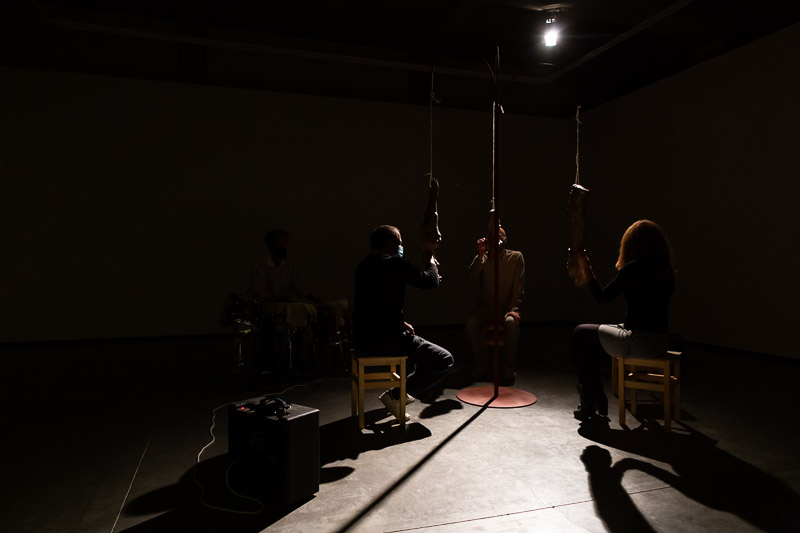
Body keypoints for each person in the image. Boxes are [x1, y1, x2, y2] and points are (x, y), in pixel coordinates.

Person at [570, 219, 675, 421]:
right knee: (590, 337)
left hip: (638, 341)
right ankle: (594, 395)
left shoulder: (635, 268)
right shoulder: (665, 271)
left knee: (580, 334)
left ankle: (591, 397)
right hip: (660, 342)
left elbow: (602, 297)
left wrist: (587, 270)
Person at [353, 225, 454, 421]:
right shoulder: (394, 264)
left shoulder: (363, 266)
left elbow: (376, 305)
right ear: (389, 244)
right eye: (399, 243)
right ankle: (397, 395)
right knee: (444, 359)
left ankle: (397, 395)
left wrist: (401, 322)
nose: (401, 247)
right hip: (388, 341)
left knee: (411, 357)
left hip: (363, 339)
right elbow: (430, 281)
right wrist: (430, 256)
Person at [465, 220, 525, 381]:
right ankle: (481, 363)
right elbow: (471, 278)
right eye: (491, 237)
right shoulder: (483, 258)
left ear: (505, 239)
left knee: (512, 323)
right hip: (486, 308)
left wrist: (514, 309)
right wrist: (479, 255)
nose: (495, 240)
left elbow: (519, 287)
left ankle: (508, 367)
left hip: (506, 308)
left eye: (499, 236)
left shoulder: (516, 257)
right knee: (471, 323)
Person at [249, 229, 313, 302]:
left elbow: (299, 287)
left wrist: (312, 298)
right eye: (280, 244)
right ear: (271, 245)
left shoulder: (289, 266)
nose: (284, 247)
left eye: (285, 244)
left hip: (282, 306)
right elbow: (262, 294)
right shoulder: (259, 266)